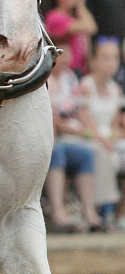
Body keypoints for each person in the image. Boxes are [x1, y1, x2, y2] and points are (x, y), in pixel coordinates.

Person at [44, 40, 105, 232]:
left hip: (70, 136)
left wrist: (92, 131)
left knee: (86, 154)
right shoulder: (45, 80)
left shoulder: (70, 78)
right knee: (58, 152)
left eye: (68, 54)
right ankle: (58, 212)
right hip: (52, 138)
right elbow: (51, 117)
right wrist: (77, 130)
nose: (66, 59)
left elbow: (80, 109)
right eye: (62, 54)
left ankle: (89, 212)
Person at [79, 39, 125, 229]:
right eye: (106, 58)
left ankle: (121, 215)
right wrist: (103, 138)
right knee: (100, 153)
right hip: (88, 137)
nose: (111, 64)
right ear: (95, 61)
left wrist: (112, 138)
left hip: (109, 139)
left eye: (114, 59)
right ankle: (104, 210)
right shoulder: (85, 86)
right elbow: (86, 121)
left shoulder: (117, 89)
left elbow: (116, 125)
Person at [45, 0, 98, 76]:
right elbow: (90, 27)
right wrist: (81, 5)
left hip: (79, 71)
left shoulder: (75, 18)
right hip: (65, 71)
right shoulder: (54, 17)